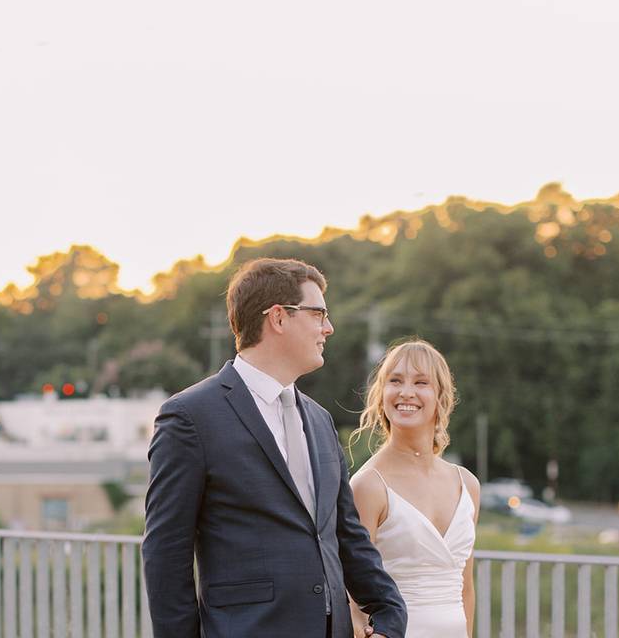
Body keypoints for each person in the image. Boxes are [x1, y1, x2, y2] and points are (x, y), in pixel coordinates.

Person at [142, 258, 407, 638]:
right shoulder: (190, 417)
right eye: (319, 314)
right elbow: (166, 553)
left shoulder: (319, 420)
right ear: (279, 318)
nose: (328, 328)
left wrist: (388, 615)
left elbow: (346, 535)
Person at [349, 339, 480, 638]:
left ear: (440, 396)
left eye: (421, 382)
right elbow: (352, 592)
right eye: (395, 381)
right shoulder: (368, 485)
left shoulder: (468, 484)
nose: (406, 392)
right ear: (382, 393)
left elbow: (465, 588)